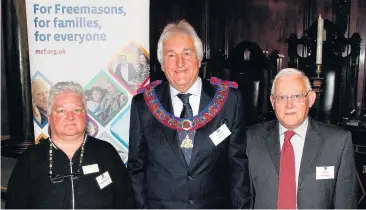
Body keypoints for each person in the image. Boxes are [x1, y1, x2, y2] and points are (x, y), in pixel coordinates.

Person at [128, 20, 250, 208]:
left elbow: (238, 168)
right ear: (161, 64)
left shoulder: (229, 101)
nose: (180, 63)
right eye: (171, 55)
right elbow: (136, 170)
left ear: (199, 59)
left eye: (187, 53)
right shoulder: (143, 105)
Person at [5, 81, 134, 209]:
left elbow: (126, 202)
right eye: (61, 111)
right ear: (49, 116)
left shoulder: (106, 153)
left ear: (86, 115)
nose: (70, 117)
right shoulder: (31, 159)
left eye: (77, 110)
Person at [246, 68, 358, 209]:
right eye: (282, 97)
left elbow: (346, 204)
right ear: (272, 102)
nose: (289, 104)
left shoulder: (338, 142)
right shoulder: (251, 139)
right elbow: (244, 199)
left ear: (311, 99)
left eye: (297, 96)